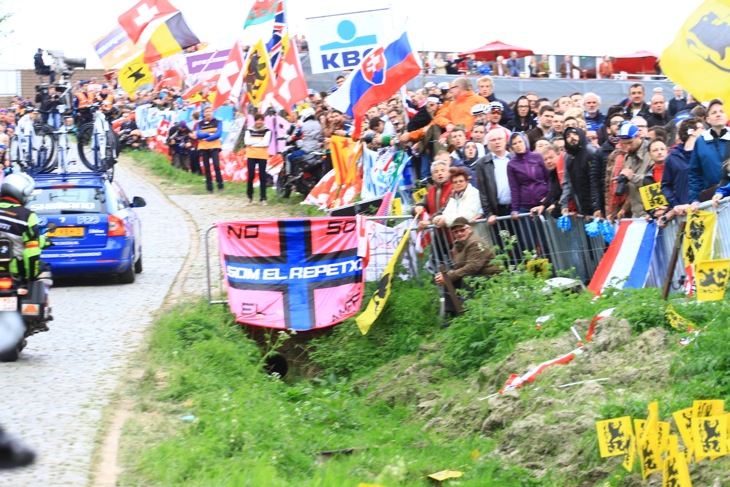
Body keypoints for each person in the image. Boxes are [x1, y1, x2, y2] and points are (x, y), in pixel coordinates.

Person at [434, 216, 501, 317]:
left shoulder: (475, 243)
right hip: (477, 274)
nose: (459, 233)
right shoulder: (457, 245)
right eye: (456, 232)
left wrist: (448, 275)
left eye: (462, 230)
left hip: (491, 276)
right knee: (449, 281)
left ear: (469, 229)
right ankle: (452, 316)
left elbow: (472, 268)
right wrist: (446, 276)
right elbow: (459, 267)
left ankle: (468, 314)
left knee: (466, 279)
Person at [0, 173, 43, 282]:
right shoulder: (27, 216)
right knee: (45, 272)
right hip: (15, 273)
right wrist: (32, 277)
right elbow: (31, 252)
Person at [689, 99, 730, 208]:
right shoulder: (700, 141)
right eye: (714, 112)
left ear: (727, 116)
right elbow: (695, 173)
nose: (718, 115)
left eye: (721, 111)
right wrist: (695, 199)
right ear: (707, 119)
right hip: (711, 200)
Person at [661, 117, 703, 221]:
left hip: (705, 208)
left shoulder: (706, 153)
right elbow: (666, 185)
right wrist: (675, 204)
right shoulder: (672, 157)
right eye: (702, 128)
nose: (705, 131)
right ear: (692, 132)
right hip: (683, 214)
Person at [615, 122, 653, 219]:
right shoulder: (628, 157)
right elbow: (633, 189)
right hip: (637, 214)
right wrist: (624, 208)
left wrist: (632, 177)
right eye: (624, 144)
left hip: (650, 214)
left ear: (639, 136)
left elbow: (653, 183)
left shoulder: (651, 153)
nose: (627, 147)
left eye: (630, 143)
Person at [507, 132, 549, 216]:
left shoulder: (538, 157)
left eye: (520, 141)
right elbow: (514, 188)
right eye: (514, 143)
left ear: (525, 142)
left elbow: (549, 178)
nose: (518, 145)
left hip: (543, 203)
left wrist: (548, 197)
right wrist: (515, 209)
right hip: (525, 206)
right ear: (511, 147)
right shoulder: (511, 164)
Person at [559, 127, 596, 217]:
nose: (572, 137)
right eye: (568, 136)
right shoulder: (568, 157)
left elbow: (596, 181)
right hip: (582, 207)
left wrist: (597, 207)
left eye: (575, 134)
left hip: (597, 206)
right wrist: (564, 204)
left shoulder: (590, 152)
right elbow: (567, 182)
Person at [194, 106, 224, 193]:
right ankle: (209, 188)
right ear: (203, 113)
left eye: (209, 111)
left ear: (212, 112)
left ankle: (220, 186)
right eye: (206, 111)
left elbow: (218, 134)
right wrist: (209, 134)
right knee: (206, 168)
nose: (208, 113)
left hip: (214, 146)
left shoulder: (218, 122)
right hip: (203, 147)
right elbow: (198, 135)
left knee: (216, 166)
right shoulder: (200, 124)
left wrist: (207, 138)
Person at [244, 113, 271, 205]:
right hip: (251, 155)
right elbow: (246, 141)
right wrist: (259, 141)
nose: (259, 122)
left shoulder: (267, 130)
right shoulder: (249, 130)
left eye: (260, 120)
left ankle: (263, 198)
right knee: (251, 176)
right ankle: (249, 197)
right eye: (257, 120)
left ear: (263, 121)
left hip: (262, 155)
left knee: (262, 176)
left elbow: (266, 143)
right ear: (255, 121)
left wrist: (253, 143)